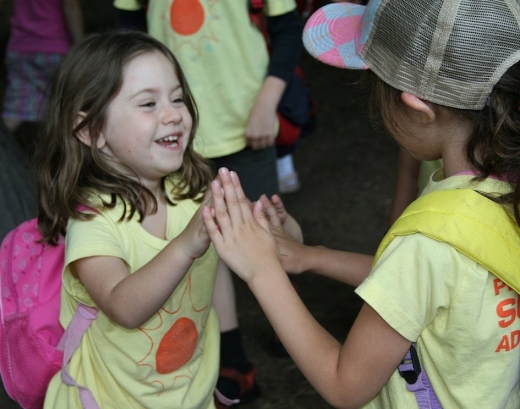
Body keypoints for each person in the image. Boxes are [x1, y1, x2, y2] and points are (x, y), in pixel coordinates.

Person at [202, 0, 520, 407]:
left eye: (376, 85)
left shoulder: (429, 242)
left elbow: (344, 385)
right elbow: (427, 287)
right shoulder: (493, 196)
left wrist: (261, 271)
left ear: (419, 110)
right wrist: (308, 257)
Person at [112, 0, 305, 403]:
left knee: (267, 230)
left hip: (246, 123)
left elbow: (288, 29)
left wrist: (268, 101)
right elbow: (126, 36)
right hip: (171, 139)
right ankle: (233, 359)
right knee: (201, 242)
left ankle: (295, 333)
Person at [37, 30, 221, 408]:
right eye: (148, 104)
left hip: (188, 392)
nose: (172, 114)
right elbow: (124, 307)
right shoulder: (92, 221)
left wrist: (275, 225)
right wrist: (188, 243)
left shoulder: (188, 189)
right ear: (90, 130)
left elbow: (279, 252)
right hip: (109, 400)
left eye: (177, 98)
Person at [1, 0, 84, 135]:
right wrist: (80, 43)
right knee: (66, 104)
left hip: (20, 48)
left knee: (16, 108)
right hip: (54, 48)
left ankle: (4, 142)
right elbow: (70, 6)